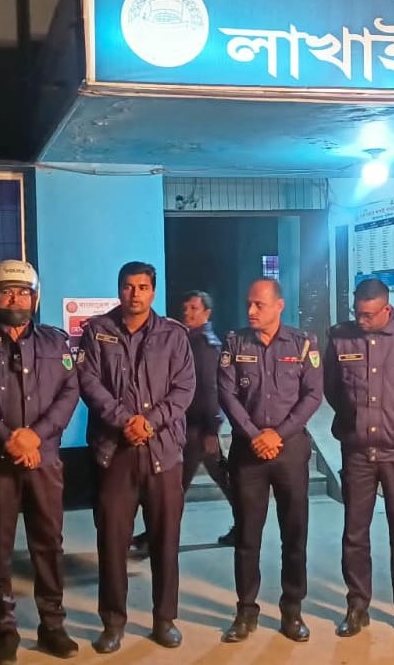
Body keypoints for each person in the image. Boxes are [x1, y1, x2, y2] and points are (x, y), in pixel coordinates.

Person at [0, 260, 82, 664]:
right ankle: (5, 630)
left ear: (35, 298)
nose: (16, 299)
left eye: (23, 293)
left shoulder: (56, 343)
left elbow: (69, 392)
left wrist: (35, 436)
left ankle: (52, 625)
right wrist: (8, 438)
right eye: (7, 292)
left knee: (49, 544)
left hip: (43, 461)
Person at [77, 261, 195, 653]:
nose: (135, 294)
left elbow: (184, 388)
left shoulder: (173, 335)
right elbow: (88, 382)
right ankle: (113, 623)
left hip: (163, 451)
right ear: (119, 289)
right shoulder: (97, 331)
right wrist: (125, 421)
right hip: (116, 452)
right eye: (128, 287)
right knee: (112, 542)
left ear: (153, 292)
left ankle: (165, 620)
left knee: (165, 541)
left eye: (143, 287)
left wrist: (150, 422)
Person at [324, 277, 394, 639]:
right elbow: (333, 390)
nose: (361, 320)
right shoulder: (340, 339)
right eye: (357, 313)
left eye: (368, 315)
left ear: (387, 309)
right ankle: (357, 606)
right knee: (355, 534)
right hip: (357, 451)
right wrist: (356, 421)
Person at [217, 278, 322, 644]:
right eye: (249, 303)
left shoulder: (303, 343)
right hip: (248, 452)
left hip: (289, 450)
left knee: (294, 534)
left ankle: (292, 611)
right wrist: (254, 434)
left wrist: (278, 434)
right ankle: (245, 611)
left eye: (259, 305)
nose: (251, 311)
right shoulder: (235, 343)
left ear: (279, 306)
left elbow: (313, 395)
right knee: (248, 536)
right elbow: (227, 394)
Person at [131, 290, 235, 556]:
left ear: (207, 313)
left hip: (197, 428)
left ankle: (155, 538)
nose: (187, 312)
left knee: (175, 487)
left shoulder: (205, 346)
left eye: (194, 308)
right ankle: (245, 525)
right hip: (189, 425)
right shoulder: (188, 339)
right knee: (219, 478)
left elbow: (210, 390)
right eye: (186, 307)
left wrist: (212, 430)